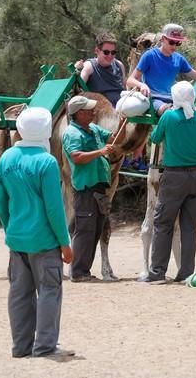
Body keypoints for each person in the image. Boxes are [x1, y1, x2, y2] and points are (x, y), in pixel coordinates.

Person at [0, 107, 74, 358]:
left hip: (17, 240)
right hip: (45, 241)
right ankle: (45, 346)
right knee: (50, 291)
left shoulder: (6, 158)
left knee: (19, 294)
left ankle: (20, 346)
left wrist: (12, 230)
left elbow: (0, 204)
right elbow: (54, 208)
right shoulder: (47, 162)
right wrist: (65, 242)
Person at [144, 81, 196, 284]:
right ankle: (186, 272)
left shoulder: (169, 116)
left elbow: (154, 137)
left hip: (173, 176)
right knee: (189, 226)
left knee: (163, 224)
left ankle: (157, 273)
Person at [63, 95, 126, 282]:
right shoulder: (72, 134)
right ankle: (78, 272)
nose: (94, 111)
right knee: (85, 229)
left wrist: (123, 123)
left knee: (96, 228)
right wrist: (101, 152)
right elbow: (76, 157)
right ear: (79, 113)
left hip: (99, 185)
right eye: (89, 110)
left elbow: (115, 138)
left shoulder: (93, 129)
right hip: (85, 187)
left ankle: (84, 271)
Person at [74, 32, 147, 171]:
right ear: (97, 51)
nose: (110, 56)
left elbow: (125, 85)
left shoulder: (119, 65)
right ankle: (117, 154)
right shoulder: (90, 66)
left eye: (113, 52)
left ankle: (135, 159)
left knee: (144, 117)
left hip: (120, 107)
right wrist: (77, 70)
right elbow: (79, 86)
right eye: (106, 52)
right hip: (101, 111)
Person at [127, 23, 196, 116]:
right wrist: (142, 85)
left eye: (178, 43)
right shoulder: (149, 56)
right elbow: (130, 80)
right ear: (163, 39)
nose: (174, 46)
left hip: (174, 99)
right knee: (170, 114)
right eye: (172, 42)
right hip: (155, 100)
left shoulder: (179, 59)